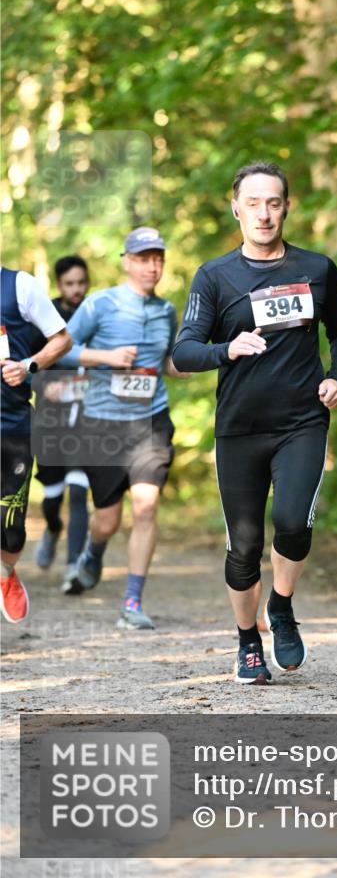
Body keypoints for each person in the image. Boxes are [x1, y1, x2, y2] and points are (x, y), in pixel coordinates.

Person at [173, 161, 337, 684]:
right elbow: (184, 352)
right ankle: (247, 640)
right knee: (245, 546)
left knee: (295, 524)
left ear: (287, 207)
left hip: (302, 421)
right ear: (236, 209)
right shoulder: (214, 276)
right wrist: (226, 349)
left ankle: (281, 605)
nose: (263, 213)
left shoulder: (318, 269)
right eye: (252, 203)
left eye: (273, 202)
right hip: (240, 430)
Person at [57, 227, 191, 630]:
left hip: (151, 420)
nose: (153, 266)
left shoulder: (166, 311)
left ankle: (132, 601)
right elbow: (60, 351)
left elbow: (167, 362)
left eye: (158, 259)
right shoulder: (100, 303)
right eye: (144, 258)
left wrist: (203, 360)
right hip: (103, 424)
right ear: (127, 261)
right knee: (108, 520)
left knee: (146, 507)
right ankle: (93, 553)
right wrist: (106, 356)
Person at [1, 266, 73, 623]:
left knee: (10, 529)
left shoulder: (20, 286)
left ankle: (6, 574)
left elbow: (62, 340)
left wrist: (29, 364)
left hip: (13, 425)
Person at [31, 255, 91, 593]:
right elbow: (26, 365)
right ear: (58, 285)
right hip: (50, 423)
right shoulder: (43, 318)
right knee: (53, 499)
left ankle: (74, 569)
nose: (77, 290)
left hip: (85, 421)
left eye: (81, 282)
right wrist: (45, 386)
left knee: (80, 492)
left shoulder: (95, 312)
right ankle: (53, 530)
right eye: (70, 284)